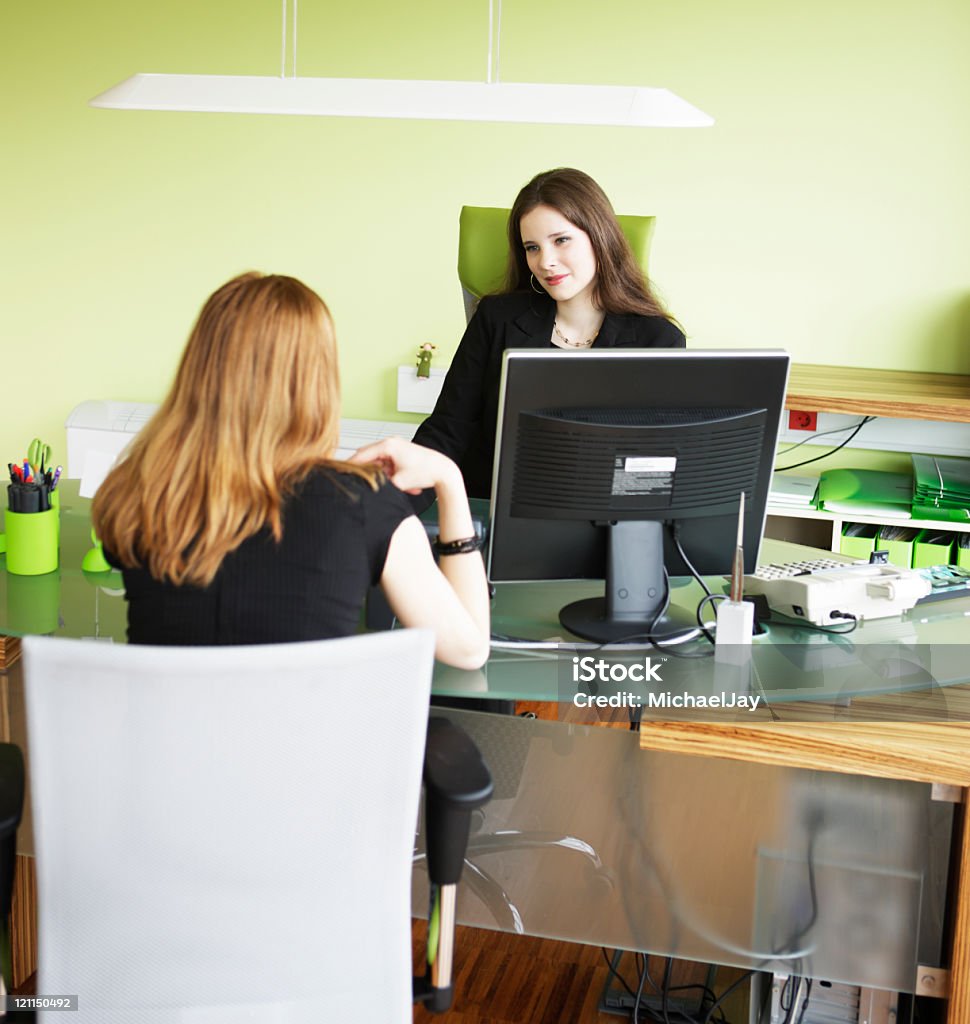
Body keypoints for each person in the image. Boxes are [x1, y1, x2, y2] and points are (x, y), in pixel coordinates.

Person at [92, 272, 490, 669]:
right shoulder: (364, 505)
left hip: (163, 731)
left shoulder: (133, 488)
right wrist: (448, 479)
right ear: (316, 381)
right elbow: (469, 651)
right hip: (303, 733)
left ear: (201, 369)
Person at [412, 167, 686, 502]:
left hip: (600, 521)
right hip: (493, 511)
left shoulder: (657, 340)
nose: (546, 262)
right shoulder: (497, 319)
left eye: (561, 240)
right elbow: (448, 429)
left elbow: (651, 467)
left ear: (599, 237)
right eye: (532, 248)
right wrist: (394, 507)